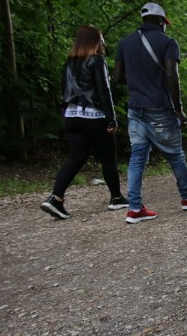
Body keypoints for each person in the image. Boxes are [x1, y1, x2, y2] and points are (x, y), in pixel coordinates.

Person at [114, 2, 187, 224]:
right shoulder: (167, 42)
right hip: (160, 108)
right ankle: (186, 197)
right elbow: (172, 76)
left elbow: (116, 77)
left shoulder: (124, 43)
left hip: (135, 108)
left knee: (137, 158)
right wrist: (179, 109)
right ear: (161, 21)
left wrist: (138, 83)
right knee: (175, 155)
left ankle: (134, 209)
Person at [41, 25, 128, 219]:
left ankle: (55, 198)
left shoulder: (69, 63)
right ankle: (116, 198)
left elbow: (64, 91)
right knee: (108, 158)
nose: (104, 43)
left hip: (72, 117)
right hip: (93, 116)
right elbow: (104, 91)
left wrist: (65, 117)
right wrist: (111, 118)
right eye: (101, 39)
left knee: (75, 158)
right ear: (95, 41)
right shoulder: (97, 60)